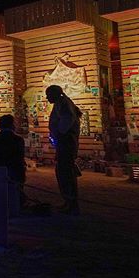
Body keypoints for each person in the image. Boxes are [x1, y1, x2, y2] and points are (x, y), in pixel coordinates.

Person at [46, 84, 82, 216]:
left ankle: (72, 203)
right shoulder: (62, 103)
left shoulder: (64, 104)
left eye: (48, 95)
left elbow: (65, 123)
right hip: (64, 142)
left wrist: (59, 133)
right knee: (64, 171)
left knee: (66, 172)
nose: (47, 97)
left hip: (66, 142)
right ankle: (68, 201)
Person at [0, 114, 27, 207]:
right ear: (12, 125)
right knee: (16, 187)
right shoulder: (18, 139)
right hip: (14, 169)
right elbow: (20, 156)